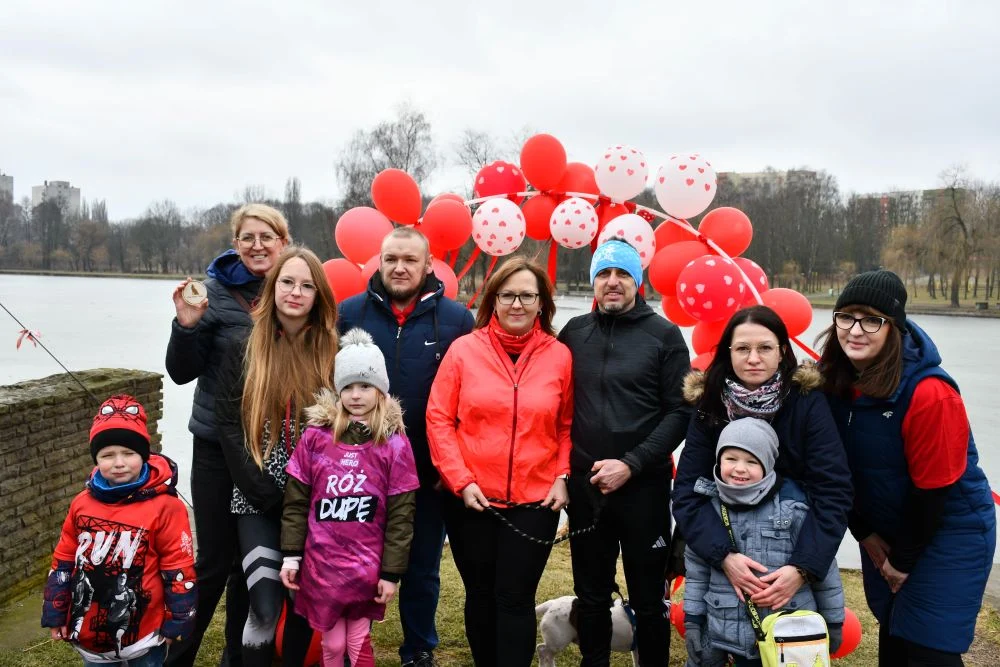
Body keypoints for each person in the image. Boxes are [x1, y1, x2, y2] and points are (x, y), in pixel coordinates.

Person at [818, 270, 996, 665]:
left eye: (872, 320)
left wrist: (902, 561)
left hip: (950, 531)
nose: (855, 330)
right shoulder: (834, 384)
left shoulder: (930, 393)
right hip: (885, 529)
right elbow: (829, 470)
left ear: (894, 328)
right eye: (845, 317)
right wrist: (863, 532)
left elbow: (934, 491)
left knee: (929, 646)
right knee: (895, 633)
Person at [426, 257, 573, 667]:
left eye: (528, 295)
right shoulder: (464, 351)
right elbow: (439, 418)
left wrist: (563, 476)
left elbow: (566, 424)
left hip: (535, 501)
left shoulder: (559, 356)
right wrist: (459, 480)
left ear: (542, 303)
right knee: (481, 594)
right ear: (492, 300)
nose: (517, 304)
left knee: (515, 597)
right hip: (471, 498)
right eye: (507, 295)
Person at [337, 226, 474, 667]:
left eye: (409, 259)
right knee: (355, 560)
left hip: (427, 468)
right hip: (359, 468)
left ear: (428, 265)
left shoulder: (456, 320)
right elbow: (330, 388)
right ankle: (354, 645)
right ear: (378, 261)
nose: (399, 267)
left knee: (422, 568)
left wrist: (450, 464)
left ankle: (418, 648)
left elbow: (467, 397)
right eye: (390, 258)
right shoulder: (349, 313)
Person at [164, 203, 290, 666]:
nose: (257, 246)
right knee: (215, 561)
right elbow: (180, 372)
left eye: (267, 237)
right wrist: (185, 327)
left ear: (283, 241)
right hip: (217, 445)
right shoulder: (211, 294)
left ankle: (239, 658)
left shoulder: (295, 290)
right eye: (248, 237)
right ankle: (179, 659)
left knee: (251, 563)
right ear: (235, 243)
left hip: (269, 448)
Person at [673, 306, 851, 632]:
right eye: (743, 348)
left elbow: (833, 489)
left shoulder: (807, 401)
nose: (753, 358)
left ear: (782, 351)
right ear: (729, 352)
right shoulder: (710, 403)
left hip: (790, 549)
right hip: (726, 549)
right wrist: (724, 556)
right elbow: (688, 491)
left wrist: (802, 567)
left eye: (765, 348)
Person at [557, 239, 692, 666]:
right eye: (603, 274)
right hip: (587, 490)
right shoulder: (574, 332)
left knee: (649, 600)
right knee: (592, 596)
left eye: (622, 275)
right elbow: (557, 406)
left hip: (644, 489)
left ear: (638, 281)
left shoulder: (664, 335)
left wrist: (631, 464)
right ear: (593, 280)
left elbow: (680, 412)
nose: (612, 283)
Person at [215, 246, 338, 666]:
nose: (296, 292)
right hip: (256, 499)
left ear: (319, 295)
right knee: (265, 607)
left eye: (307, 285)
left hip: (316, 502)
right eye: (288, 282)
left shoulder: (333, 353)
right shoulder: (243, 348)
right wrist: (260, 488)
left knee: (303, 604)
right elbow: (228, 425)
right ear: (273, 287)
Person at [279, 328, 420, 667]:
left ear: (380, 391)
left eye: (365, 386)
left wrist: (391, 573)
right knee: (332, 643)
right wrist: (291, 557)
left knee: (357, 640)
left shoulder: (395, 445)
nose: (356, 395)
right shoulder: (315, 439)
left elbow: (402, 516)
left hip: (366, 568)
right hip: (322, 565)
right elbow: (296, 503)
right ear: (338, 390)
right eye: (349, 387)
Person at [42, 395, 198, 666]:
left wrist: (178, 621)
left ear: (144, 455)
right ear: (96, 459)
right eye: (107, 455)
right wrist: (56, 612)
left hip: (146, 638)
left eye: (129, 453)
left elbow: (178, 567)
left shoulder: (166, 507)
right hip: (91, 640)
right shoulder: (81, 504)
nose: (119, 462)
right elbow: (64, 561)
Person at [683, 418, 844, 666]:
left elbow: (824, 568)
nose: (739, 469)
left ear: (768, 464)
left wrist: (833, 622)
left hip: (785, 634)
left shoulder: (793, 510)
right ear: (718, 459)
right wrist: (693, 620)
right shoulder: (708, 514)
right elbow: (696, 573)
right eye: (731, 459)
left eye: (751, 461)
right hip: (724, 633)